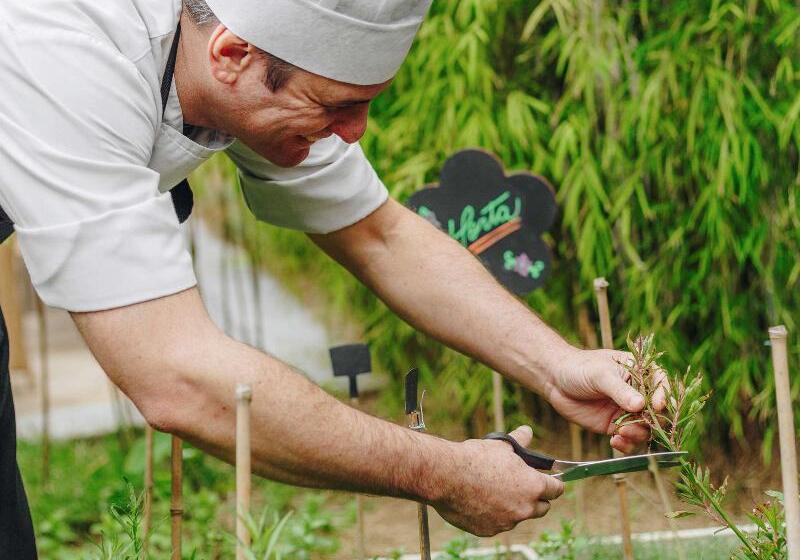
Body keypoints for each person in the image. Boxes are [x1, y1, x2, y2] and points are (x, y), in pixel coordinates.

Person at [0, 0, 663, 556]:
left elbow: (379, 235)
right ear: (232, 58)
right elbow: (178, 377)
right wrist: (444, 472)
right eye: (340, 107)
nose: (355, 134)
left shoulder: (260, 70)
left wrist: (558, 366)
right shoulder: (69, 51)